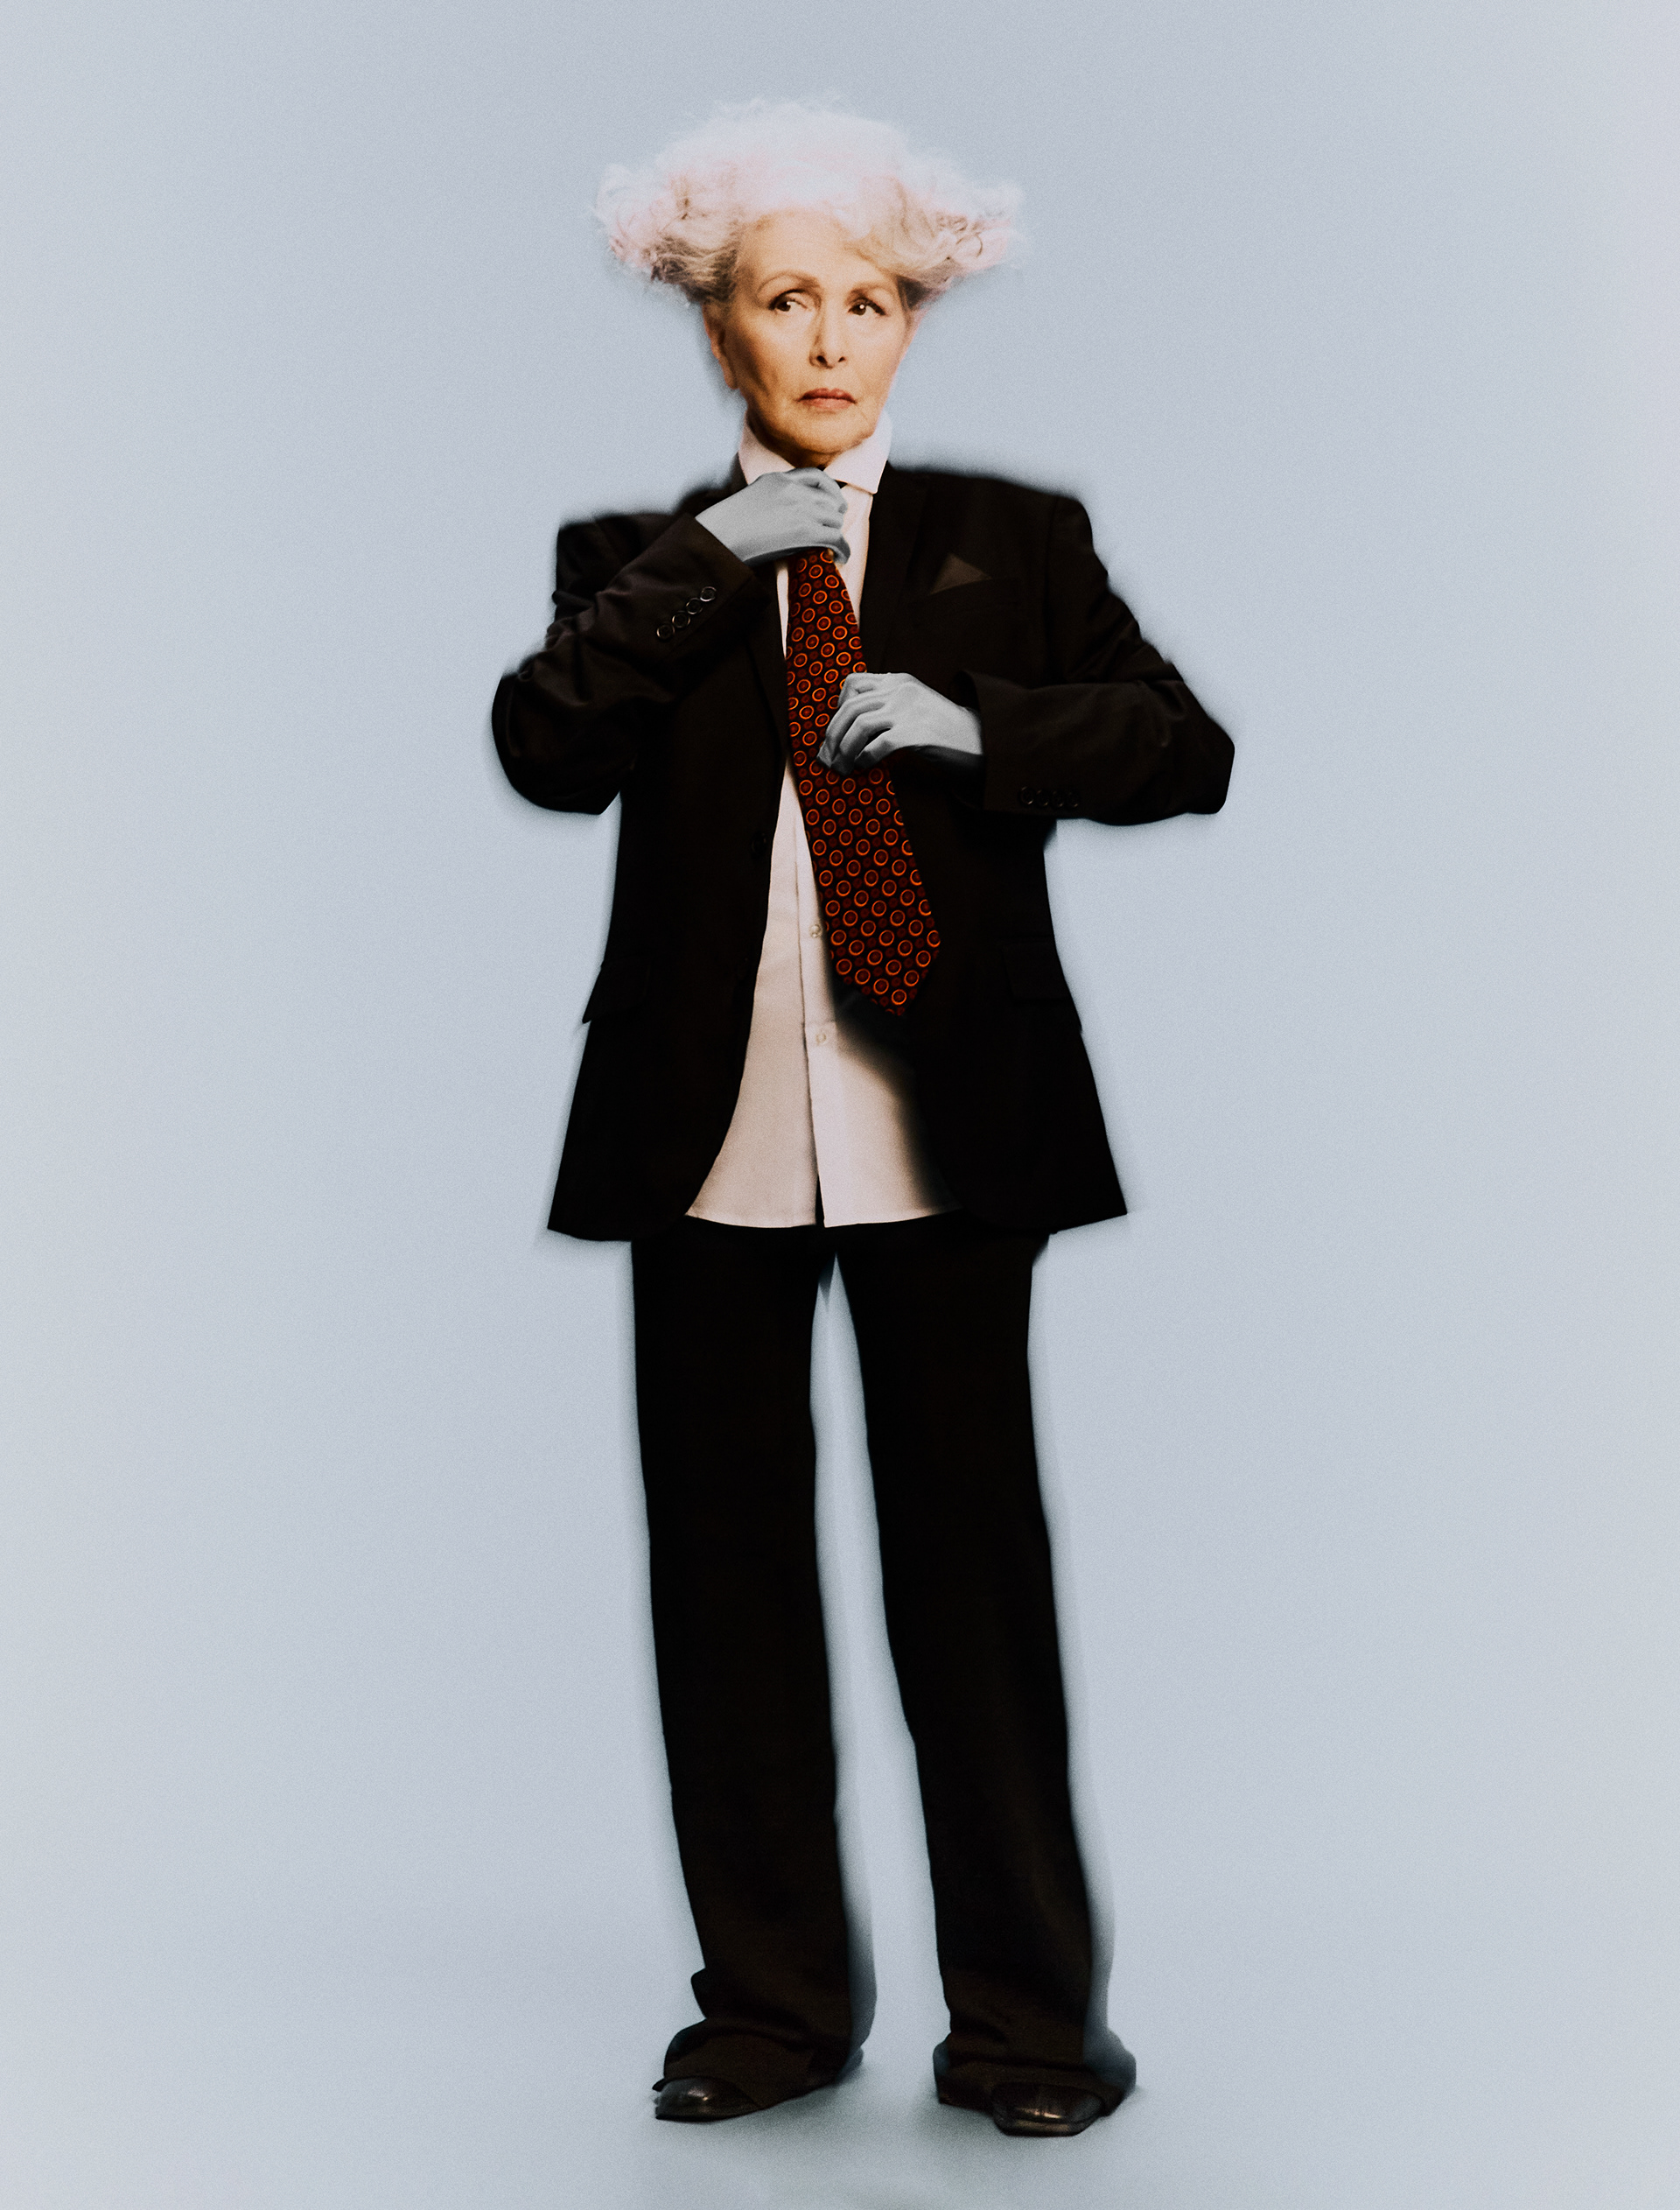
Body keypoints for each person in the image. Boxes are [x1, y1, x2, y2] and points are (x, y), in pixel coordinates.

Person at [491, 101, 1234, 2138]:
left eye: (870, 300)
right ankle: (768, 2014)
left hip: (950, 1126)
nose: (829, 338)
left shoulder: (1017, 536)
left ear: (914, 318)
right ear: (713, 322)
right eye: (784, 298)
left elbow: (1184, 749)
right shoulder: (632, 562)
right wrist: (709, 564)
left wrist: (987, 729)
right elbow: (544, 749)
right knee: (724, 1587)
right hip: (703, 1132)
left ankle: (1028, 2032)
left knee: (971, 1585)